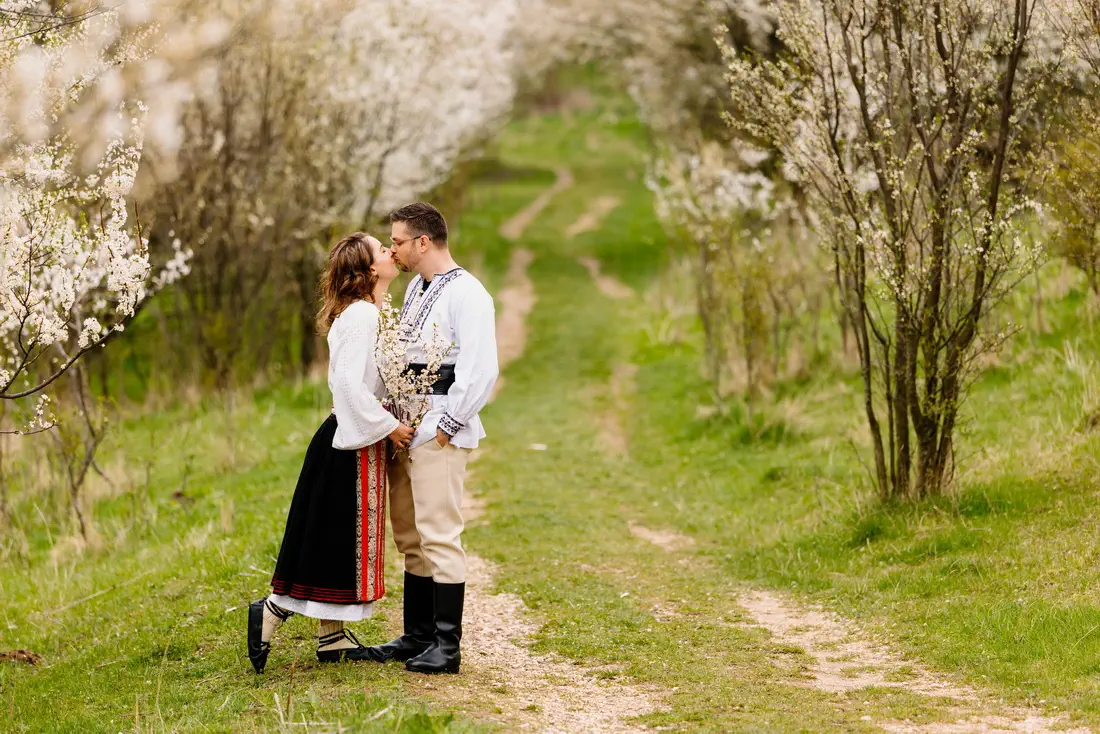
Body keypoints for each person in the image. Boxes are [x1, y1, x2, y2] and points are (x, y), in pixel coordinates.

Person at [247, 232, 415, 673]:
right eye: (382, 249)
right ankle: (271, 611)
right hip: (349, 441)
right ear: (368, 269)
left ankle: (332, 639)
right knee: (329, 540)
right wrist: (391, 425)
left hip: (354, 434)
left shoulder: (370, 312)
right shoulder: (361, 315)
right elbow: (345, 386)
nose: (390, 252)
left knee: (337, 538)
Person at [365, 202, 498, 674]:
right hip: (405, 427)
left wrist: (446, 428)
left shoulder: (468, 294)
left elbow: (481, 370)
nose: (393, 250)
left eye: (398, 241)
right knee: (410, 536)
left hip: (439, 427)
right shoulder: (420, 288)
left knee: (440, 534)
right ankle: (417, 636)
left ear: (424, 242)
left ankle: (447, 647)